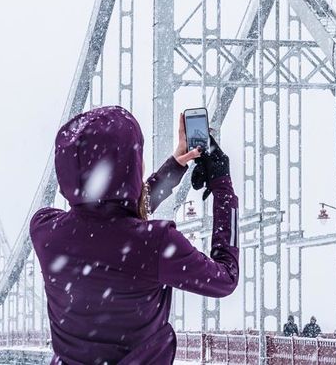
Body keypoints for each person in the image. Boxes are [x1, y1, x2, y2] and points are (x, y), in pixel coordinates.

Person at [30, 106, 239, 365]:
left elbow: (107, 216)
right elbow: (226, 278)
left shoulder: (45, 232)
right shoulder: (157, 243)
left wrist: (175, 167)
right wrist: (222, 187)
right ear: (131, 165)